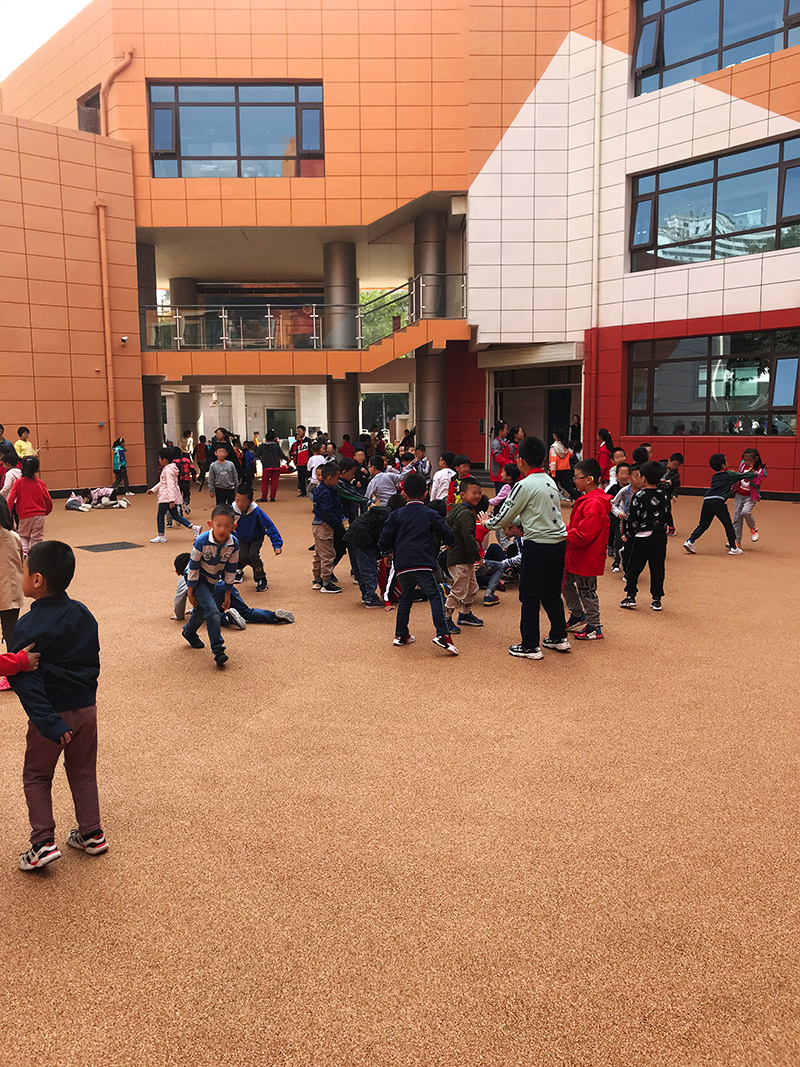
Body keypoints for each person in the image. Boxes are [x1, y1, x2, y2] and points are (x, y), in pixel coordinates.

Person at [8, 541, 108, 871]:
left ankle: (42, 843)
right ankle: (92, 833)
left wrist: (49, 721)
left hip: (49, 714)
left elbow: (25, 681)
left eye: (24, 571)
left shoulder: (27, 625)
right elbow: (92, 663)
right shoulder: (83, 614)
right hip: (86, 710)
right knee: (83, 771)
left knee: (37, 775)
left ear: (37, 580)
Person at [484, 435, 569, 661]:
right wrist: (517, 522)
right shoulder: (549, 480)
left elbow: (504, 515)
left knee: (529, 595)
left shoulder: (523, 484)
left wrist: (486, 523)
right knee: (551, 593)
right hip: (558, 542)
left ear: (520, 460)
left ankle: (530, 645)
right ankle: (559, 636)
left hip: (538, 544)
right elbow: (537, 511)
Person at [378, 472, 458, 654]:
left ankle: (401, 634)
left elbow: (385, 537)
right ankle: (443, 634)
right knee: (435, 596)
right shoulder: (430, 514)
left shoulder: (396, 514)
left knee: (406, 597)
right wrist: (449, 542)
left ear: (404, 493)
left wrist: (386, 552)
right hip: (423, 561)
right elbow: (446, 533)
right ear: (425, 493)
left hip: (402, 563)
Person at [183, 505, 239, 668]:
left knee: (202, 610)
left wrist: (228, 594)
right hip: (196, 578)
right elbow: (193, 567)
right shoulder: (202, 541)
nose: (222, 529)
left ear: (233, 527)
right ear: (210, 524)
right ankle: (218, 651)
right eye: (218, 525)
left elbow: (231, 570)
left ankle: (189, 632)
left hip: (212, 579)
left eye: (227, 526)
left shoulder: (233, 544)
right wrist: (190, 592)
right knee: (213, 611)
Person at [172, 553, 294, 626]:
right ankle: (273, 615)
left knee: (209, 615)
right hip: (224, 586)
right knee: (247, 612)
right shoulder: (204, 566)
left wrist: (179, 616)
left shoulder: (184, 579)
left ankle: (227, 618)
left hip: (214, 594)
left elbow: (179, 600)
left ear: (178, 572)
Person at [562, 458, 611, 640]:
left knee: (587, 591)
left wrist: (564, 535)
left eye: (577, 477)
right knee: (565, 583)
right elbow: (578, 527)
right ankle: (578, 615)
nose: (575, 481)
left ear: (588, 479)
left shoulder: (594, 503)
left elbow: (584, 533)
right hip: (578, 554)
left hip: (586, 556)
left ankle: (594, 626)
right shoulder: (591, 500)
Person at [684, 454, 759, 556]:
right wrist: (754, 473)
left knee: (703, 525)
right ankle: (733, 547)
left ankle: (690, 541)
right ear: (723, 465)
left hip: (707, 500)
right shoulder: (729, 474)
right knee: (728, 524)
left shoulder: (715, 476)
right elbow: (743, 476)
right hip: (718, 501)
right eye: (726, 461)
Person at [620, 460, 670, 611]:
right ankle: (656, 599)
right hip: (660, 536)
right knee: (657, 567)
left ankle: (631, 596)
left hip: (642, 537)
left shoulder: (639, 496)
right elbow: (667, 514)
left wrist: (628, 534)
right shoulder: (664, 495)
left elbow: (633, 518)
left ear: (644, 478)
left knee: (634, 566)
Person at [444, 477, 485, 632]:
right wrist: (477, 556)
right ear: (462, 494)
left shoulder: (458, 509)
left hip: (464, 557)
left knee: (471, 587)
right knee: (459, 589)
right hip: (460, 557)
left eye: (479, 493)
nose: (478, 496)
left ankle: (465, 614)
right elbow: (469, 537)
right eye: (474, 493)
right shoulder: (466, 514)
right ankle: (446, 618)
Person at [232, 484, 283, 593]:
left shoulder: (256, 512)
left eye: (243, 501)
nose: (240, 504)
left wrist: (277, 544)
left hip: (256, 537)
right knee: (242, 556)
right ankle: (253, 564)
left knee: (253, 555)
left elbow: (269, 526)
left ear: (251, 501)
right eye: (237, 500)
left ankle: (261, 578)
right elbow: (227, 524)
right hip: (241, 537)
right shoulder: (232, 510)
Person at [148, 448, 202, 544]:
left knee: (160, 515)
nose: (159, 460)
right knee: (175, 515)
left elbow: (170, 485)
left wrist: (171, 500)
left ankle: (161, 535)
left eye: (160, 458)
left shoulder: (167, 471)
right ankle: (194, 527)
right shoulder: (170, 469)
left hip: (166, 497)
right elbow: (164, 482)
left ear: (165, 460)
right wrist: (153, 490)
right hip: (169, 496)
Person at [0, 496, 25, 692]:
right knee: (11, 634)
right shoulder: (13, 536)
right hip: (11, 592)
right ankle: (13, 675)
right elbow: (21, 562)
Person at [345, 503, 391, 607]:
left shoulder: (378, 513)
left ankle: (366, 595)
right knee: (369, 568)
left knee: (358, 568)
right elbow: (383, 538)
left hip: (351, 534)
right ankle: (371, 597)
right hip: (363, 538)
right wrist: (384, 553)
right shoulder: (388, 518)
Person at [7, 457, 53, 555]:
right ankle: (34, 556)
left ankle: (24, 552)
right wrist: (46, 511)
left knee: (23, 536)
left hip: (24, 515)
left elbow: (11, 499)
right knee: (36, 538)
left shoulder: (18, 483)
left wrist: (9, 513)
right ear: (37, 468)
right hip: (39, 515)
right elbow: (48, 500)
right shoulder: (40, 483)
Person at [312, 462, 345, 593]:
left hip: (318, 525)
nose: (338, 481)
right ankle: (326, 581)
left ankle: (317, 579)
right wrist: (339, 524)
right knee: (328, 554)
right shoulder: (326, 493)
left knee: (319, 554)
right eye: (337, 478)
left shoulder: (322, 490)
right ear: (330, 478)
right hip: (324, 526)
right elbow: (327, 513)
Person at [733, 448, 766, 548]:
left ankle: (753, 529)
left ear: (756, 459)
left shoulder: (761, 470)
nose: (747, 462)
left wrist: (752, 474)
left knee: (745, 512)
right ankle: (736, 542)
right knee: (737, 518)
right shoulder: (743, 465)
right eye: (746, 460)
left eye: (750, 460)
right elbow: (739, 475)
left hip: (751, 496)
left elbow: (756, 483)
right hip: (739, 494)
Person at [609, 462, 632, 573]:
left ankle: (628, 564)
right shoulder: (615, 488)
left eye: (627, 473)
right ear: (617, 475)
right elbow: (611, 503)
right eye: (622, 473)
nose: (625, 476)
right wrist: (618, 513)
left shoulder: (635, 489)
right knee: (619, 541)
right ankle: (616, 562)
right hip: (618, 519)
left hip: (632, 520)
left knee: (630, 542)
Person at [256, 430, 289, 502]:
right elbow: (282, 455)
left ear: (266, 438)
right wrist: (287, 459)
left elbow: (257, 454)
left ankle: (264, 497)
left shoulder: (262, 446)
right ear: (273, 438)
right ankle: (273, 497)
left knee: (265, 482)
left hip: (266, 466)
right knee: (274, 482)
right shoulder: (276, 446)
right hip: (276, 466)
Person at [549, 429, 578, 501]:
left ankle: (555, 500)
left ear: (555, 436)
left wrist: (552, 472)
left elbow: (553, 461)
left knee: (553, 486)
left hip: (557, 470)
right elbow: (571, 454)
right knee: (568, 487)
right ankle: (578, 499)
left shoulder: (553, 447)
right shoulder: (566, 446)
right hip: (566, 468)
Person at [660, 452, 684, 536]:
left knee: (667, 510)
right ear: (669, 460)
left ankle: (671, 526)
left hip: (666, 493)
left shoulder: (675, 474)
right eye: (674, 464)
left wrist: (674, 494)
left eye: (677, 466)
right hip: (655, 490)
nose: (675, 467)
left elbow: (676, 485)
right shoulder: (659, 466)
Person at [489, 421, 511, 492]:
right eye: (506, 429)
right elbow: (499, 459)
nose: (507, 431)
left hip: (505, 472)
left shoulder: (505, 442)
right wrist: (509, 464)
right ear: (500, 431)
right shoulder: (496, 444)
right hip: (499, 474)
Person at [290, 425, 311, 497]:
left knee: (308, 478)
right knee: (301, 478)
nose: (298, 432)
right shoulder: (297, 442)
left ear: (304, 431)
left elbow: (310, 451)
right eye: (297, 431)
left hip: (307, 462)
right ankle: (303, 492)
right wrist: (296, 462)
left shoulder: (308, 440)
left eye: (300, 431)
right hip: (299, 462)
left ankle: (310, 491)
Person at [174, 446, 194, 513]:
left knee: (178, 496)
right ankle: (186, 503)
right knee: (186, 494)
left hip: (177, 482)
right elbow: (192, 469)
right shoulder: (186, 460)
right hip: (186, 480)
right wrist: (194, 477)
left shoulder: (173, 462)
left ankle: (179, 509)